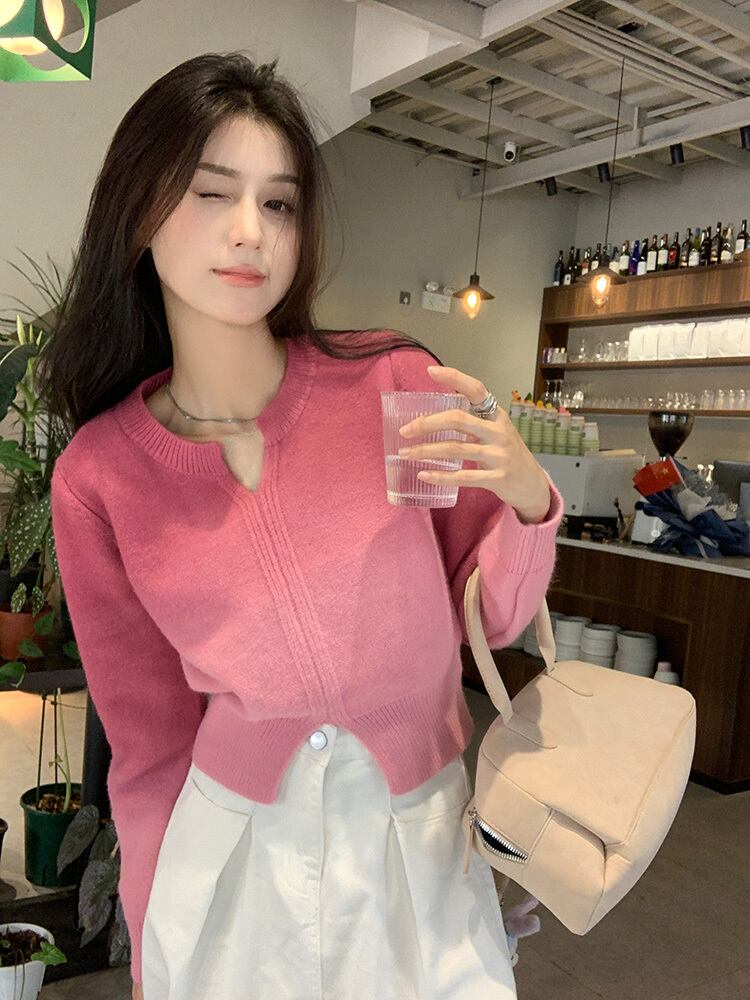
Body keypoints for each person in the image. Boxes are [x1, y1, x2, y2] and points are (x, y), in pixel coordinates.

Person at [41, 52, 563, 1000]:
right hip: (234, 859)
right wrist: (155, 937)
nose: (251, 230)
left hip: (419, 841)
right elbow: (148, 744)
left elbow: (490, 619)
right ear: (137, 210)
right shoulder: (99, 476)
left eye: (278, 203)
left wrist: (529, 502)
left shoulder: (392, 383)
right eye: (212, 192)